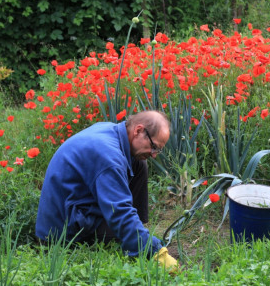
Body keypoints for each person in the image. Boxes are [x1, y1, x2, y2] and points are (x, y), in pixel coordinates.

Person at [35, 110, 177, 269]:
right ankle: (138, 243)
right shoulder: (109, 157)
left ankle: (137, 235)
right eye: (153, 147)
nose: (154, 155)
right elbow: (119, 211)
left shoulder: (113, 132)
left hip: (77, 207)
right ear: (138, 131)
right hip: (62, 231)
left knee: (139, 163)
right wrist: (155, 251)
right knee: (123, 221)